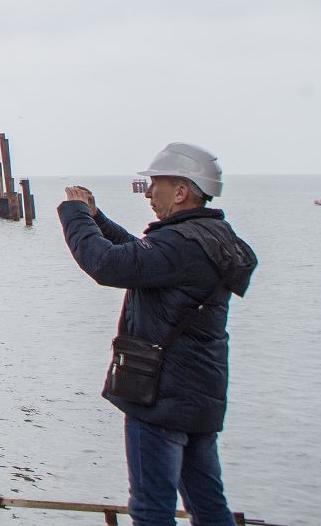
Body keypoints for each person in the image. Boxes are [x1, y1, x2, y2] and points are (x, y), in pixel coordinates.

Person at [59, 144, 258, 526]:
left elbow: (106, 264)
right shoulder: (209, 237)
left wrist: (75, 214)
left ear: (181, 191)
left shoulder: (180, 244)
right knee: (208, 504)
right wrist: (98, 219)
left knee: (151, 510)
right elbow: (142, 255)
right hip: (199, 396)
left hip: (159, 398)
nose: (148, 192)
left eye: (155, 184)